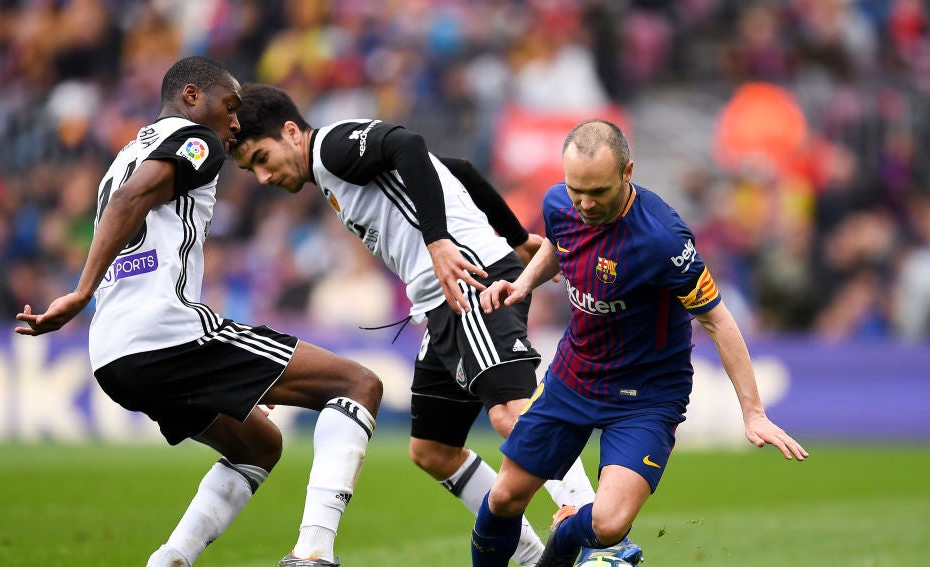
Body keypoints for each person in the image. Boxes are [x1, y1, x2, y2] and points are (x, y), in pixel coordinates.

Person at [14, 56, 382, 567]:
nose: (235, 122)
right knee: (357, 385)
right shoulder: (197, 140)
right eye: (229, 107)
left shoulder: (128, 152)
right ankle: (314, 554)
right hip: (166, 333)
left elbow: (128, 201)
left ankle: (170, 559)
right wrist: (80, 291)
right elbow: (132, 199)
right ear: (191, 96)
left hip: (114, 353)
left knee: (258, 445)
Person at [229, 83, 599, 566]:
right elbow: (456, 169)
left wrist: (439, 241)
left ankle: (594, 530)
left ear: (291, 132)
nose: (262, 176)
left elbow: (408, 144)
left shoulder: (332, 148)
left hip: (470, 283)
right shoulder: (329, 172)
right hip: (442, 303)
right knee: (433, 450)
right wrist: (514, 235)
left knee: (509, 410)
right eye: (250, 170)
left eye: (261, 158)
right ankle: (532, 556)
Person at [469, 119, 810, 567]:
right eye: (576, 190)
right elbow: (557, 245)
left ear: (627, 172)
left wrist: (753, 412)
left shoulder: (663, 239)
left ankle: (567, 531)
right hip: (575, 376)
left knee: (608, 523)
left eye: (599, 192)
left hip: (646, 395)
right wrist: (523, 284)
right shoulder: (558, 203)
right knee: (505, 497)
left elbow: (717, 320)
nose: (585, 204)